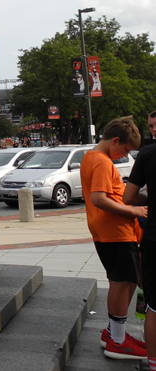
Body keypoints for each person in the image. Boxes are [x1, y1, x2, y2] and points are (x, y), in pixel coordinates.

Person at [80, 117, 147, 360]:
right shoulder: (101, 161)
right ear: (115, 140)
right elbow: (99, 198)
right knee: (121, 282)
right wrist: (133, 211)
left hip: (112, 233)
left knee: (128, 280)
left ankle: (113, 332)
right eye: (125, 150)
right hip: (115, 233)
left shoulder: (91, 157)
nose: (123, 156)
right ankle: (117, 340)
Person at [125, 113, 156, 370]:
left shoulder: (146, 155)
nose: (153, 130)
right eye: (151, 126)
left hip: (154, 236)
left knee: (154, 306)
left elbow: (129, 196)